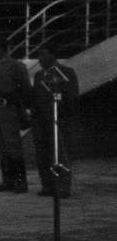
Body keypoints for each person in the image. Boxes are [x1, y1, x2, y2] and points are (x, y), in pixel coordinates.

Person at [30, 45, 79, 198]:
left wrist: (63, 116)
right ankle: (47, 185)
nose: (40, 59)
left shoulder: (66, 72)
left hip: (58, 120)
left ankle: (63, 187)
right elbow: (35, 97)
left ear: (53, 55)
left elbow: (72, 96)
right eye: (39, 56)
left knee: (60, 154)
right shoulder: (38, 75)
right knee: (42, 155)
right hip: (40, 121)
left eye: (43, 55)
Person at [0, 41, 32, 193]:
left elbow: (25, 88)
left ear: (0, 48)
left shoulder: (16, 66)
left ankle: (20, 183)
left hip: (10, 108)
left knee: (14, 148)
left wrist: (23, 110)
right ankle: (8, 181)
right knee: (1, 147)